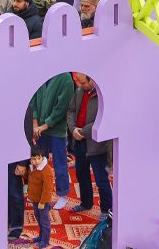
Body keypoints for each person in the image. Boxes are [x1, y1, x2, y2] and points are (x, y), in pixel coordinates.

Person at [67, 73, 112, 215]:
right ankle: (86, 202)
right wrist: (73, 129)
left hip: (96, 144)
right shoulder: (80, 91)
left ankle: (107, 210)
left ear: (91, 80)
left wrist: (83, 132)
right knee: (81, 174)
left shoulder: (103, 94)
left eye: (83, 83)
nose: (81, 85)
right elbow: (71, 111)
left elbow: (104, 118)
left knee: (101, 179)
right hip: (79, 141)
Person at [31, 72, 75, 208]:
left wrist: (46, 125)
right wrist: (35, 124)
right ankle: (39, 192)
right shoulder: (40, 72)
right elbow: (34, 99)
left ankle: (62, 194)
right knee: (38, 161)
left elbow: (62, 107)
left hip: (56, 130)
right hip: (40, 130)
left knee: (59, 164)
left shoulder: (65, 78)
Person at [26, 144, 56, 247]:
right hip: (35, 200)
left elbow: (47, 190)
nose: (36, 161)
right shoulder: (34, 168)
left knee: (44, 222)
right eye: (34, 159)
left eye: (39, 158)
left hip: (43, 202)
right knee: (39, 220)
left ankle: (45, 241)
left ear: (42, 157)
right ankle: (41, 236)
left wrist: (42, 202)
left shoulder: (46, 172)